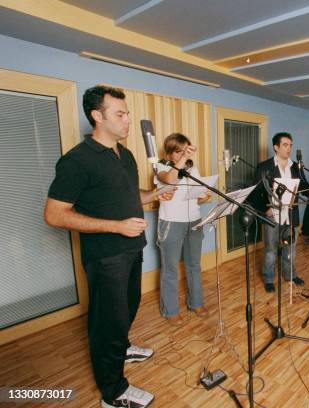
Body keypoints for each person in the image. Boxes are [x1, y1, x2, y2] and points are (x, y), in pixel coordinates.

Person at [44, 85, 174, 408]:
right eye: (120, 114)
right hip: (105, 256)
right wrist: (116, 227)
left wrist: (154, 195)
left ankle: (121, 347)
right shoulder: (76, 161)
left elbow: (129, 195)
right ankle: (112, 393)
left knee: (128, 306)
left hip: (132, 250)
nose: (128, 119)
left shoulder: (125, 155)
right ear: (97, 116)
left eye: (127, 113)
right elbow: (54, 214)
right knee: (107, 321)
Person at [156, 133, 211, 325]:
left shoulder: (192, 168)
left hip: (194, 220)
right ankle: (170, 310)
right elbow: (170, 180)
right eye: (179, 151)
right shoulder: (161, 166)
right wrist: (182, 161)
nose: (184, 154)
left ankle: (196, 302)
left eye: (186, 150)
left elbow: (202, 194)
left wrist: (205, 196)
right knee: (170, 269)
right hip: (171, 222)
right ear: (171, 152)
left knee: (194, 265)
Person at [250, 132, 309, 293]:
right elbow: (255, 193)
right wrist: (265, 209)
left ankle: (290, 275)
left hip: (291, 214)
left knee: (290, 248)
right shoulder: (264, 167)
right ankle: (269, 278)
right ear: (276, 147)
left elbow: (304, 187)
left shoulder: (296, 166)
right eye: (285, 145)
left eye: (290, 145)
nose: (289, 148)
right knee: (270, 249)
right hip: (273, 215)